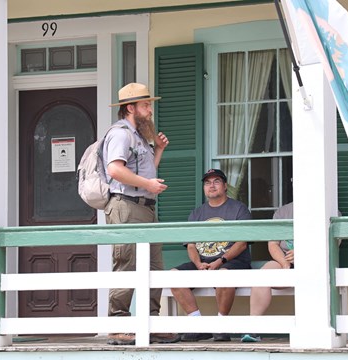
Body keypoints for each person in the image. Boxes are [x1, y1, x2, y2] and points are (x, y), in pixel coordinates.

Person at [104, 83, 180, 346]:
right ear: (130, 108)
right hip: (126, 205)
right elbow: (115, 170)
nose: (150, 110)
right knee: (126, 263)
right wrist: (148, 185)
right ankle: (119, 325)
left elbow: (145, 174)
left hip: (146, 208)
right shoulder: (121, 135)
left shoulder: (139, 137)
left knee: (154, 266)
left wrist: (157, 150)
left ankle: (151, 323)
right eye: (146, 105)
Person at [170, 168, 252, 342]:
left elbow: (242, 243)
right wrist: (199, 263)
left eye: (216, 181)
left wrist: (220, 261)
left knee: (223, 275)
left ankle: (221, 326)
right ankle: (197, 324)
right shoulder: (197, 213)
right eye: (207, 182)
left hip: (233, 262)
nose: (211, 186)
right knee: (173, 276)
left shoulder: (238, 209)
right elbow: (191, 246)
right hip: (204, 263)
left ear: (224, 186)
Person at [241, 201, 294, 343]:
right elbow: (273, 243)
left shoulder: (328, 208)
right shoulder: (283, 212)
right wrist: (284, 263)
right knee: (262, 275)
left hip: (316, 264)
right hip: (285, 261)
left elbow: (333, 243)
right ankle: (253, 328)